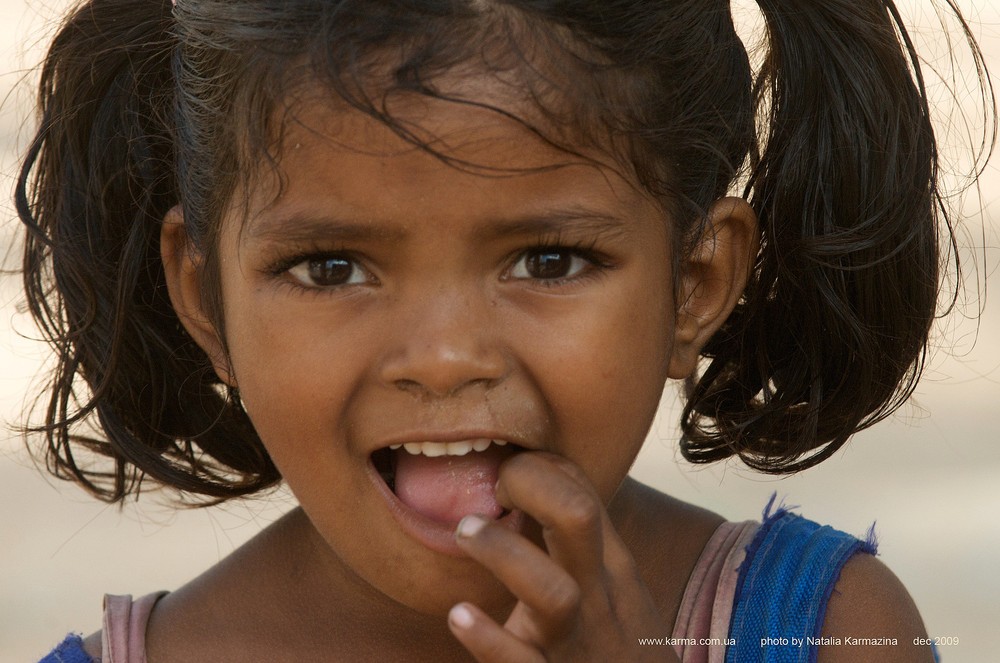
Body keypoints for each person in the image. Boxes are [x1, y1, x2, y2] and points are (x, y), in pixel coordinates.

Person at [19, 0, 991, 661]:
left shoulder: (825, 633)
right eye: (330, 267)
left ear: (693, 285)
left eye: (548, 260)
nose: (444, 358)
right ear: (205, 300)